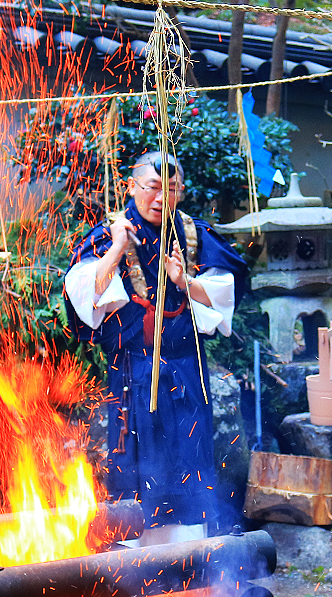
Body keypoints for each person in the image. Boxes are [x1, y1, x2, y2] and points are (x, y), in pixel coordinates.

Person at [65, 152, 249, 543]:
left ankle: (190, 553)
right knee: (134, 457)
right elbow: (85, 293)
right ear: (132, 186)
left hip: (186, 366)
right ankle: (135, 552)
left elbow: (225, 293)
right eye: (153, 187)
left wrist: (184, 282)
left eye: (172, 188)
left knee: (190, 453)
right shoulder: (110, 233)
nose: (162, 198)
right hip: (134, 369)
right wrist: (117, 248)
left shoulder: (194, 234)